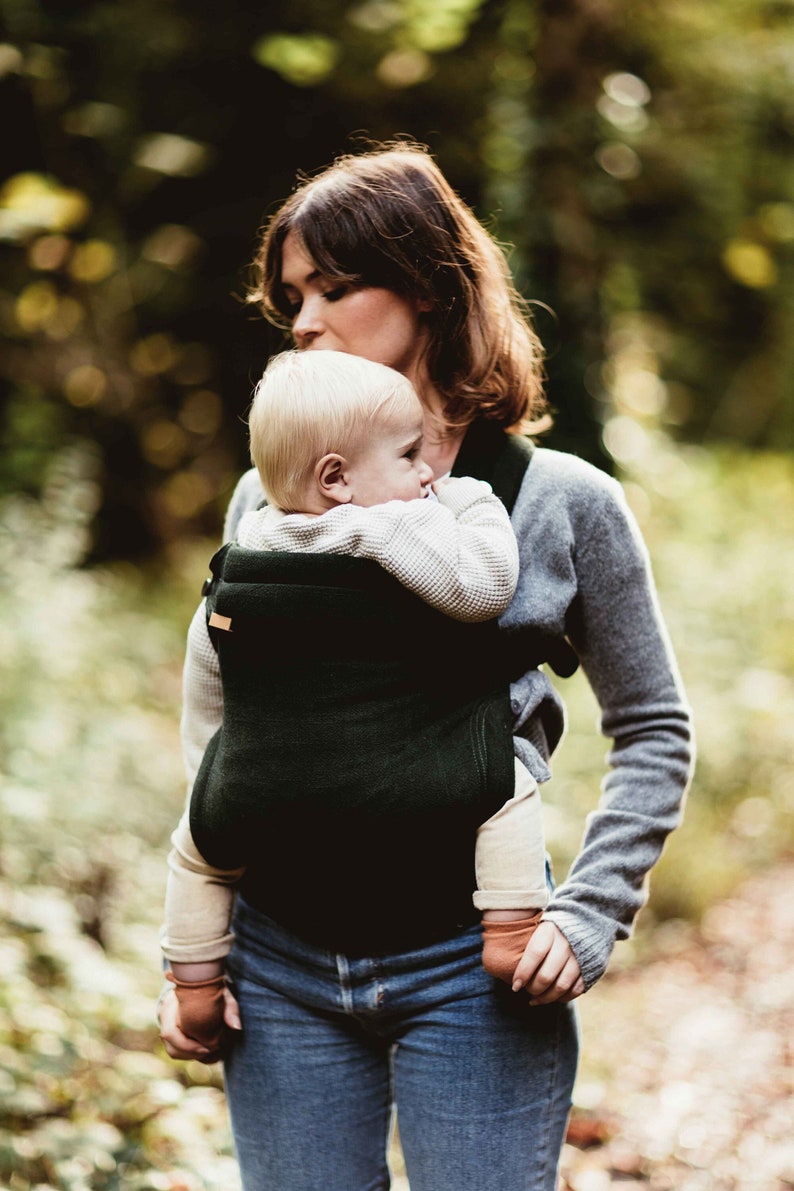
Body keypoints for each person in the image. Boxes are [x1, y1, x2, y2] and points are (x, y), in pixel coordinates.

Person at [159, 141, 694, 1191]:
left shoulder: (560, 503)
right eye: (291, 297)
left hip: (476, 968)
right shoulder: (265, 502)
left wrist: (588, 913)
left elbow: (654, 727)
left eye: (333, 286)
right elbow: (236, 729)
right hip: (279, 967)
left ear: (430, 285)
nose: (304, 320)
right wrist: (199, 944)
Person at [161, 347, 552, 1050]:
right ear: (337, 479)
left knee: (198, 852)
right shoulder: (392, 527)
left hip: (263, 781)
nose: (426, 472)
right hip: (410, 782)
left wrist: (223, 779)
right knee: (505, 785)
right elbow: (483, 586)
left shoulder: (246, 552)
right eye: (408, 455)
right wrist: (474, 503)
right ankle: (511, 929)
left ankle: (193, 988)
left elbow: (208, 686)